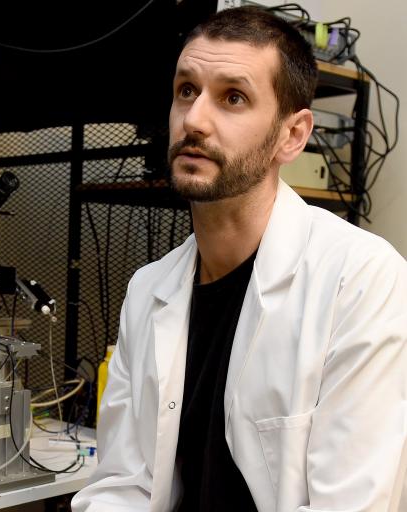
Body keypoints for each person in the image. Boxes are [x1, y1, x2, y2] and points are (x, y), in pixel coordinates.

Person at [71, 5, 407, 512]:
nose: (195, 120)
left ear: (291, 135)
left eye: (233, 97)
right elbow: (123, 483)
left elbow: (351, 503)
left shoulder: (361, 279)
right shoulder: (148, 289)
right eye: (187, 90)